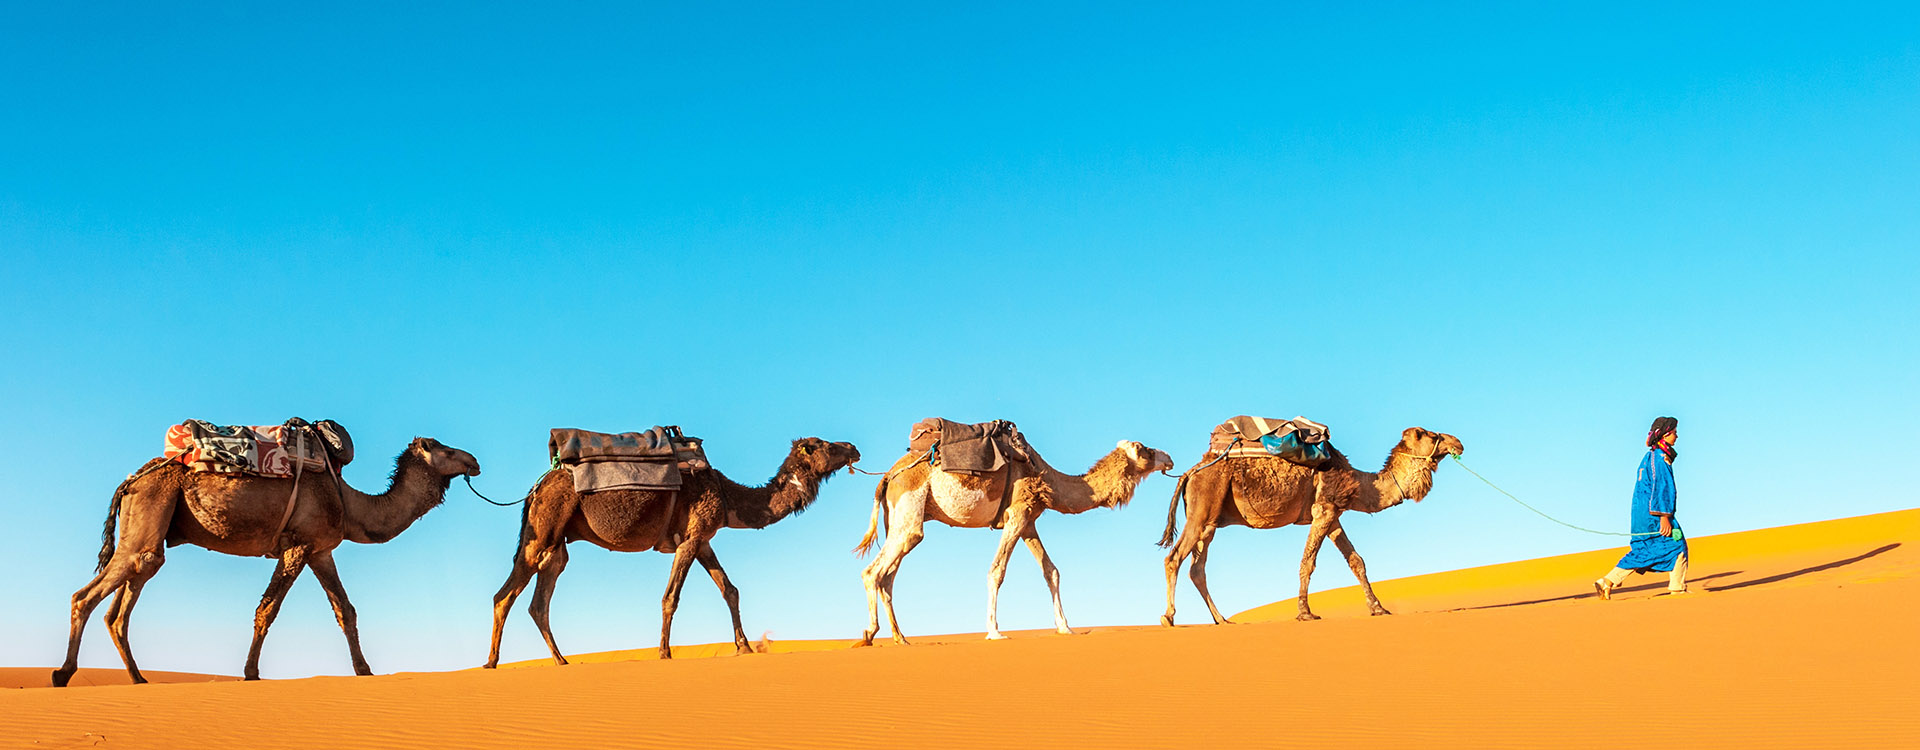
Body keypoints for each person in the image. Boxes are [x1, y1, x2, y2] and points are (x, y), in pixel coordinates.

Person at [1593, 416, 1688, 599]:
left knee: (1645, 549)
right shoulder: (1660, 459)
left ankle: (1608, 581)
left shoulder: (1649, 457)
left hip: (1642, 514)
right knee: (1677, 545)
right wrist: (1664, 516)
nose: (1677, 437)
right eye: (1674, 433)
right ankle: (1677, 589)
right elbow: (1661, 487)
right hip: (1655, 514)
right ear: (1666, 434)